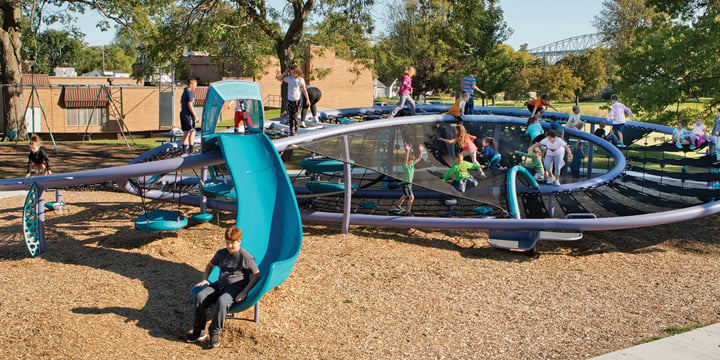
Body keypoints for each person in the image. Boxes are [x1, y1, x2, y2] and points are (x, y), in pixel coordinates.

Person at [188, 227, 261, 349]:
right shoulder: (221, 253)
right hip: (220, 284)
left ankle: (214, 333)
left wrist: (244, 292)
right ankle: (198, 331)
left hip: (235, 287)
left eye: (232, 243)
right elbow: (210, 265)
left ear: (239, 241)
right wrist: (205, 279)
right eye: (227, 243)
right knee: (200, 296)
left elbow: (256, 275)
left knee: (222, 301)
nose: (230, 246)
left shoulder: (245, 256)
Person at [277, 65, 310, 135]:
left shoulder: (300, 80)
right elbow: (279, 79)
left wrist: (307, 99)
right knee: (291, 115)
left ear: (297, 73)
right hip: (290, 99)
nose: (292, 74)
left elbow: (304, 90)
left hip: (297, 99)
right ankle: (291, 129)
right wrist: (284, 73)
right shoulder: (289, 78)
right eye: (291, 73)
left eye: (293, 73)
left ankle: (296, 129)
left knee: (294, 115)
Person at [394, 143, 425, 216]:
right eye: (410, 161)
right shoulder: (406, 166)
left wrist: (421, 151)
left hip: (409, 184)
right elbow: (406, 159)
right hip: (406, 183)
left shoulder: (412, 165)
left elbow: (419, 158)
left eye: (412, 161)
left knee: (405, 195)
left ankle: (398, 205)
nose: (412, 162)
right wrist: (407, 151)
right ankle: (408, 211)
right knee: (411, 197)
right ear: (408, 161)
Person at [180, 78, 199, 155]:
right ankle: (191, 151)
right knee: (192, 131)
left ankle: (184, 151)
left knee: (186, 132)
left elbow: (181, 104)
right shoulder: (190, 93)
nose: (195, 87)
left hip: (183, 114)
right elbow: (190, 104)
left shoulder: (184, 92)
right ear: (191, 85)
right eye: (195, 85)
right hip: (188, 115)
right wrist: (195, 116)